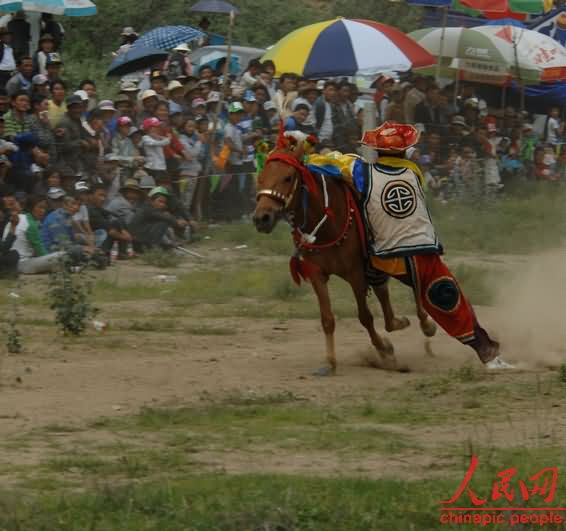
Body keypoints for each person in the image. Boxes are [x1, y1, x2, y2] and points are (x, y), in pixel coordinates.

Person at [353, 122, 513, 369]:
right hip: (419, 253)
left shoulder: (361, 172)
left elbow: (330, 162)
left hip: (384, 255)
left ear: (376, 151)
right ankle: (487, 352)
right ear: (405, 151)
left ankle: (486, 345)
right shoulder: (414, 171)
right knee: (448, 298)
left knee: (447, 297)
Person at [6, 194, 64, 274]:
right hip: (23, 264)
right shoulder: (31, 224)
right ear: (31, 207)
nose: (43, 211)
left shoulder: (19, 217)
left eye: (44, 208)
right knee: (62, 255)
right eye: (40, 207)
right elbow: (40, 251)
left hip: (10, 263)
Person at [128, 186, 184, 251]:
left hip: (140, 237)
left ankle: (163, 245)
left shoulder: (150, 208)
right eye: (160, 201)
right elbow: (165, 218)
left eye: (164, 202)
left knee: (164, 222)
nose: (162, 205)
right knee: (164, 222)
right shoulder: (148, 209)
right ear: (151, 201)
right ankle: (154, 247)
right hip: (137, 239)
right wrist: (177, 222)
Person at [139, 117, 170, 184]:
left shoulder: (158, 137)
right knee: (147, 188)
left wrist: (160, 137)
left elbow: (166, 141)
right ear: (149, 128)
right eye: (156, 127)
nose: (158, 128)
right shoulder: (145, 138)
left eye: (158, 126)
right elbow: (158, 143)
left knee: (161, 190)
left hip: (161, 168)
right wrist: (166, 139)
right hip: (150, 168)